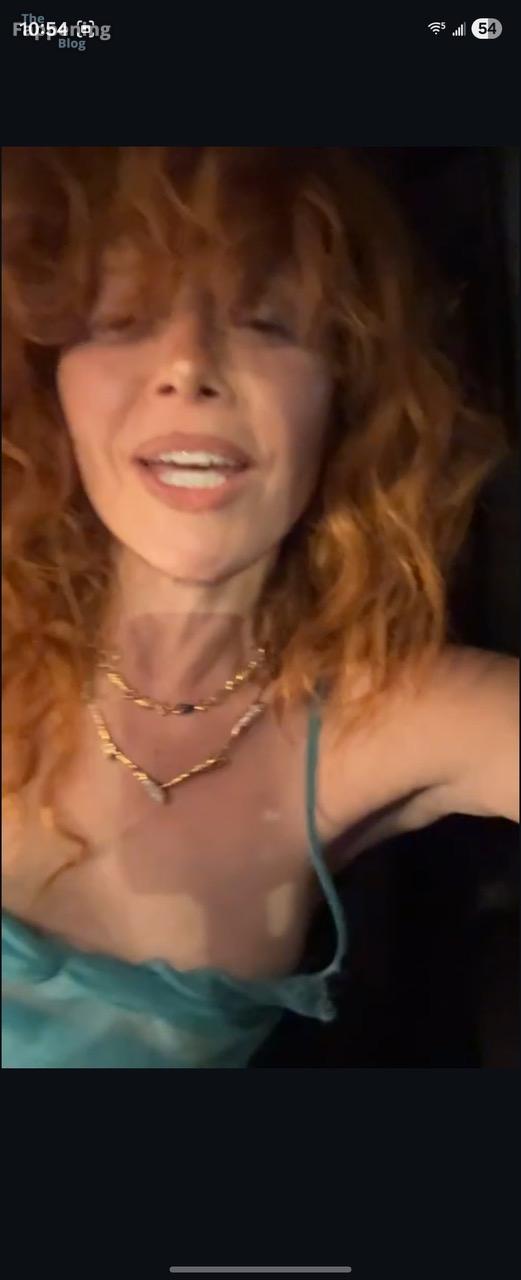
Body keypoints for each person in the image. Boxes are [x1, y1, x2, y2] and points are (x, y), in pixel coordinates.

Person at [2, 146, 518, 1069]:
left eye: (268, 324)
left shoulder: (383, 713)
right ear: (51, 389)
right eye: (122, 320)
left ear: (343, 393)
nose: (188, 365)